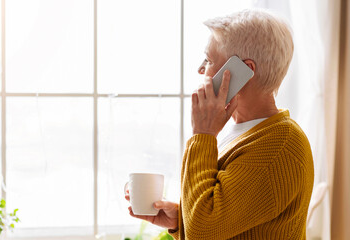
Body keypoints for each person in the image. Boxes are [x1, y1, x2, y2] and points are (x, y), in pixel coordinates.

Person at [125, 9, 314, 239]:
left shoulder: (279, 146)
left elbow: (202, 232)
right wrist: (180, 221)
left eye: (209, 59)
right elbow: (221, 220)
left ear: (244, 72)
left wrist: (202, 134)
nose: (200, 69)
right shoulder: (244, 133)